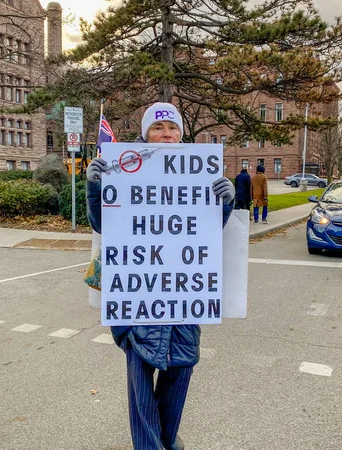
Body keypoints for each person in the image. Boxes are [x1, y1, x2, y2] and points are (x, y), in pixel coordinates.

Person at [85, 102, 235, 450]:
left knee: (179, 374)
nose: (166, 134)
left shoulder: (200, 173)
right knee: (140, 393)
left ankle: (166, 439)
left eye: (172, 128)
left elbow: (209, 235)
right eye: (158, 128)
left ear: (181, 134)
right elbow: (103, 225)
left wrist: (225, 201)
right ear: (146, 133)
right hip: (138, 302)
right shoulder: (125, 168)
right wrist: (96, 188)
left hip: (184, 298)